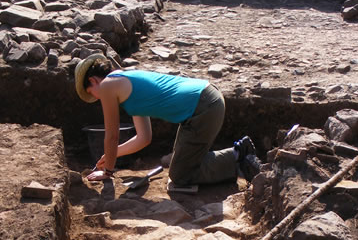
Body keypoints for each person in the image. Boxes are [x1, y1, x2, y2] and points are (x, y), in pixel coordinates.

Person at [74, 53, 261, 186]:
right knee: (181, 164)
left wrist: (107, 172)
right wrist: (111, 156)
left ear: (93, 81)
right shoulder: (123, 81)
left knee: (180, 175)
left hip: (203, 108)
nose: (97, 98)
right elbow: (144, 137)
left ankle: (238, 157)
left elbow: (112, 136)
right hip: (206, 99)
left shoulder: (107, 86)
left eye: (92, 93)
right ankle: (237, 154)